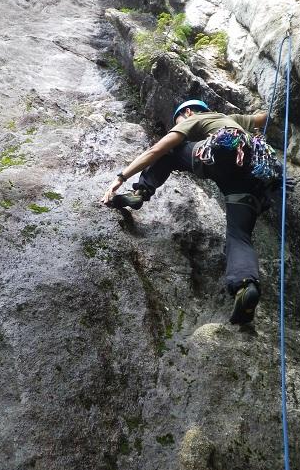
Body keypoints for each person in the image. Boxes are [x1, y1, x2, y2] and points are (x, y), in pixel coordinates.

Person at [101, 99, 282, 326]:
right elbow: (263, 119)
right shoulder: (232, 119)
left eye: (177, 122)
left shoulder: (194, 118)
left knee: (171, 148)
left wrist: (120, 178)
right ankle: (246, 286)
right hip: (251, 176)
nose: (177, 126)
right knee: (239, 236)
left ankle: (141, 192)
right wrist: (277, 106)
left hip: (219, 152)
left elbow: (157, 149)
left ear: (187, 112)